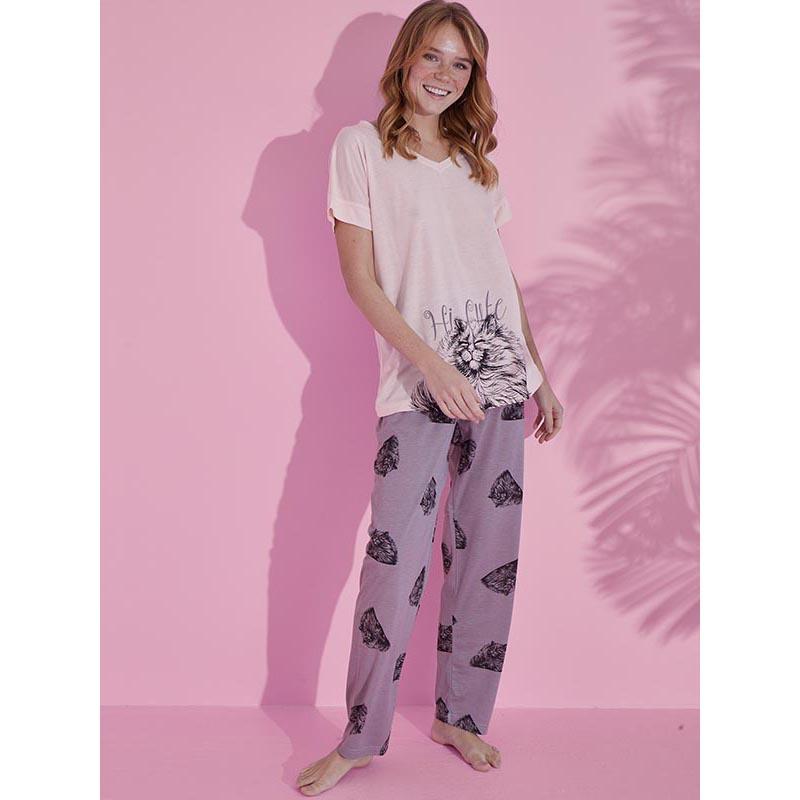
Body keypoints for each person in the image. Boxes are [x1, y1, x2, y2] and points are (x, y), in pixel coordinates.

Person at [297, 1, 564, 794]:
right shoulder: (361, 148)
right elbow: (360, 280)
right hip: (418, 385)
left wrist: (539, 373)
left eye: (462, 63)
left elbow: (498, 276)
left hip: (500, 379)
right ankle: (360, 737)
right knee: (396, 559)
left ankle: (461, 717)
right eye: (434, 57)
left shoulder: (478, 168)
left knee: (488, 557)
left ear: (473, 76)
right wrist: (431, 365)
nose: (445, 75)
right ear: (407, 59)